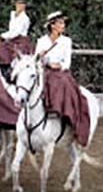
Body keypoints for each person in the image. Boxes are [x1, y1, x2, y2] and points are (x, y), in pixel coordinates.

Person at [36, 11, 90, 146]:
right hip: (45, 70)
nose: (63, 25)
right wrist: (43, 60)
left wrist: (58, 65)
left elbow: (68, 62)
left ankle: (62, 113)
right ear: (52, 26)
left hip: (60, 72)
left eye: (63, 23)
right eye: (60, 23)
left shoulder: (66, 41)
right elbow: (36, 61)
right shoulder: (41, 41)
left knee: (63, 83)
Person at [0, 0, 35, 78]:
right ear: (15, 4)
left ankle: (9, 72)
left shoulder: (25, 18)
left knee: (4, 51)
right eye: (19, 3)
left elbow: (16, 32)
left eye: (23, 4)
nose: (21, 6)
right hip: (12, 38)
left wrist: (1, 36)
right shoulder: (13, 15)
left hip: (20, 40)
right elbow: (11, 30)